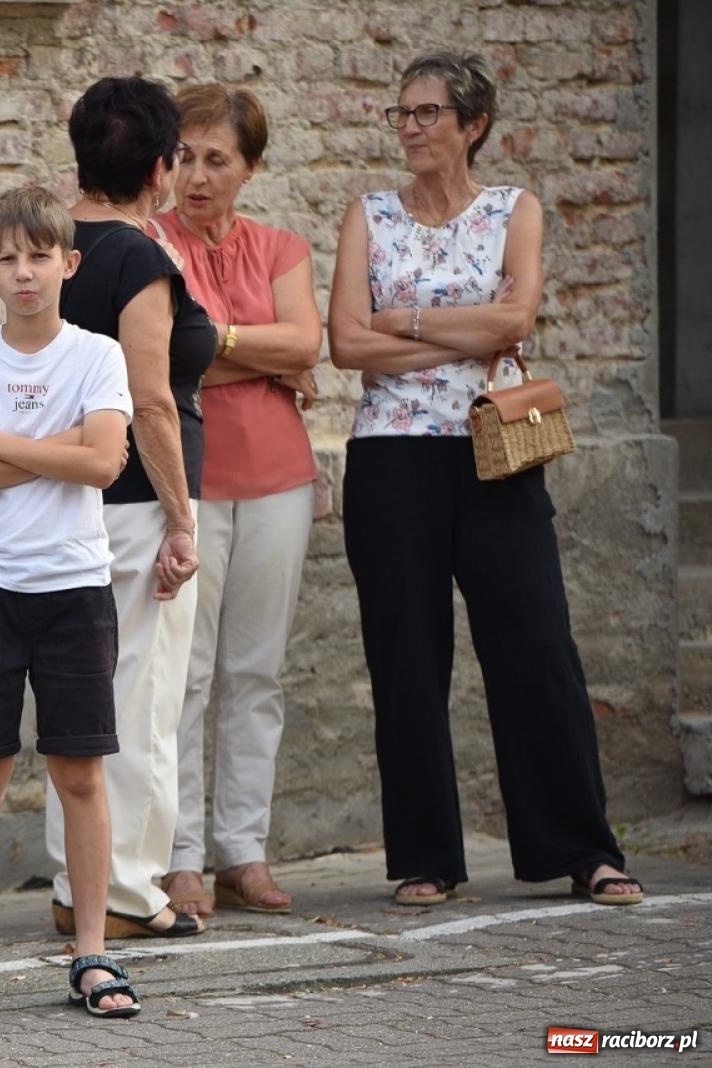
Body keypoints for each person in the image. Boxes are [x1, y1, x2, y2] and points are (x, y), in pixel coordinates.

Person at [328, 51, 643, 908]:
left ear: (474, 125)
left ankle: (584, 849)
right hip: (392, 454)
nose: (412, 128)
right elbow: (349, 345)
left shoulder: (515, 210)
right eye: (402, 114)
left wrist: (411, 323)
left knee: (538, 645)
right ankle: (428, 857)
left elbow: (518, 318)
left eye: (429, 113)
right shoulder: (371, 214)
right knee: (406, 655)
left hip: (495, 444)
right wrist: (464, 335)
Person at [0, 186, 138, 1020]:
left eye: (39, 256)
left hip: (75, 586)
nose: (23, 272)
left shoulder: (98, 354)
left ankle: (92, 955)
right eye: (6, 257)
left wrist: (1, 440)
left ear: (68, 264)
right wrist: (63, 445)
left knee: (79, 774)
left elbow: (106, 464)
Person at [44, 75, 213, 940]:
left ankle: (77, 885)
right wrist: (183, 521)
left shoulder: (44, 245)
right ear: (156, 167)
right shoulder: (136, 257)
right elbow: (151, 400)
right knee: (139, 702)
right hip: (137, 504)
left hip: (61, 501)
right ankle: (129, 889)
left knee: (79, 701)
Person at [149, 85, 323, 918]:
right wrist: (261, 354)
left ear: (251, 167)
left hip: (281, 480)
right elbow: (159, 359)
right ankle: (180, 856)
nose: (197, 175)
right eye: (184, 155)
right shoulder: (151, 245)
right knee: (183, 674)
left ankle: (241, 853)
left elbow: (309, 342)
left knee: (257, 672)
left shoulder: (283, 248)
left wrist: (211, 340)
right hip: (188, 481)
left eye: (217, 158)